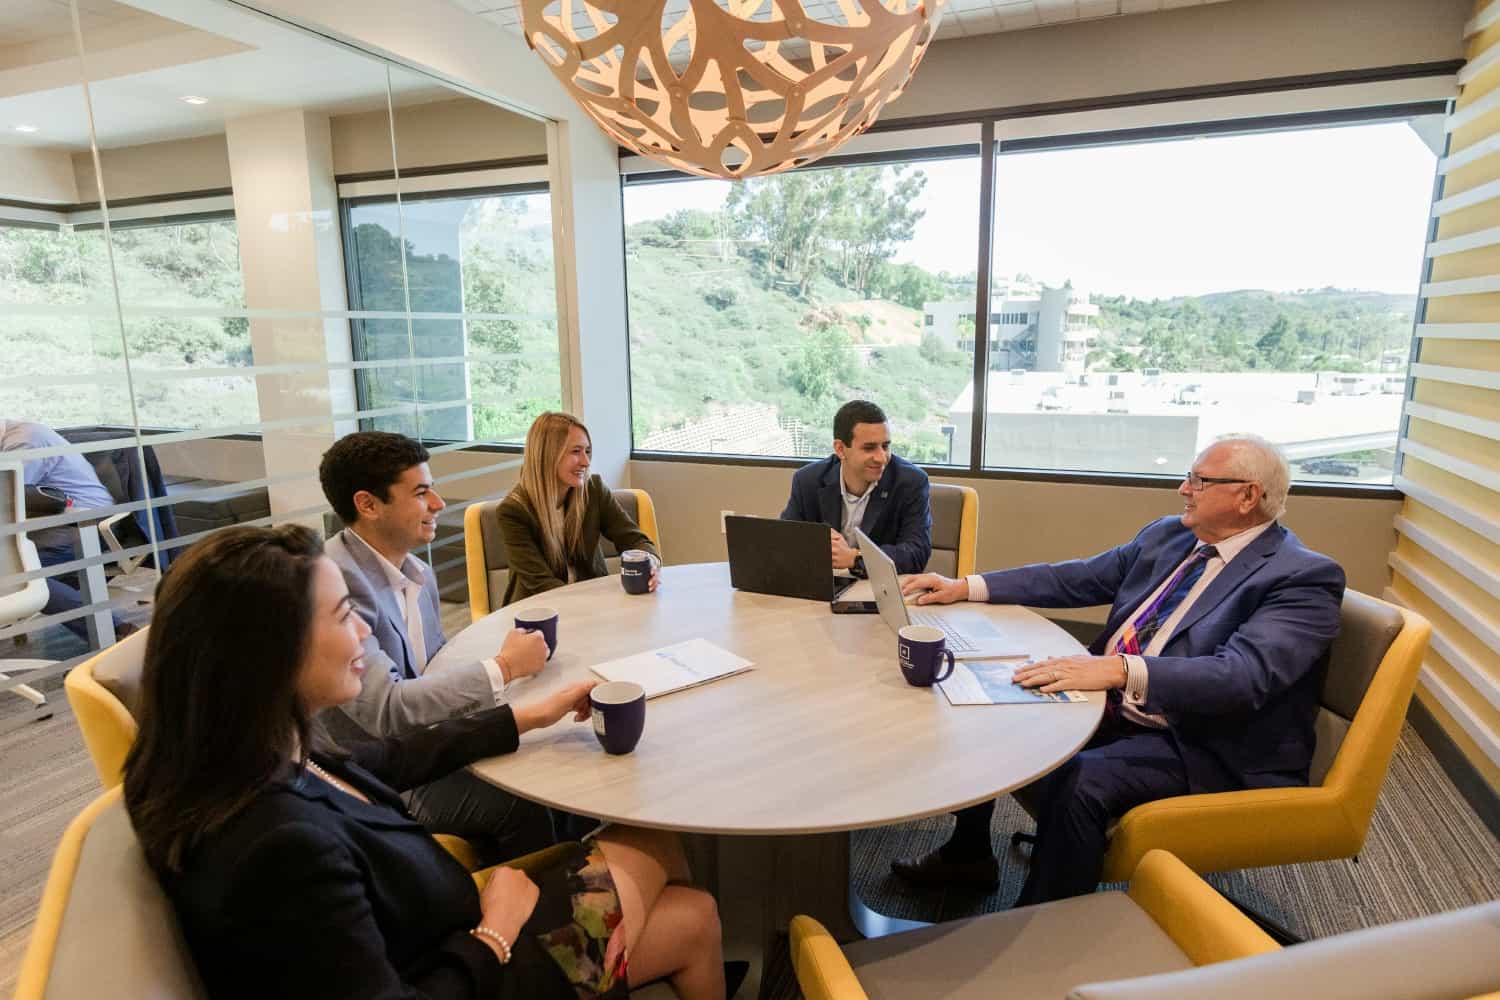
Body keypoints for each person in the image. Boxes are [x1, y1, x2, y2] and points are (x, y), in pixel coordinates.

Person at [121, 524, 728, 1000]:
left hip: (445, 936)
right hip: (479, 965)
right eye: (341, 615)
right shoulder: (274, 848)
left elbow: (384, 759)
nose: (363, 630)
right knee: (649, 836)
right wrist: (495, 931)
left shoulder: (250, 759)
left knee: (695, 916)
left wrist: (525, 716)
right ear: (268, 654)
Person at [891, 435, 1344, 905]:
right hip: (1114, 707)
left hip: (1199, 742)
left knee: (1080, 780)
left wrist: (1120, 670)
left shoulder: (1300, 577)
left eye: (1199, 480)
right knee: (984, 710)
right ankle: (968, 856)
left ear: (1248, 496)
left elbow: (1242, 676)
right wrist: (967, 585)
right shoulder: (1171, 535)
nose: (1183, 490)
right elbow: (1081, 577)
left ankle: (1042, 933)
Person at [318, 431, 555, 861]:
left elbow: (436, 667)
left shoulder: (413, 572)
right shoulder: (337, 587)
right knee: (532, 800)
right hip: (375, 780)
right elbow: (387, 711)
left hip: (425, 749)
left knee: (547, 760)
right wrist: (502, 667)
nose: (439, 504)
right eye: (421, 493)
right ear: (367, 505)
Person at [496, 412, 659, 606]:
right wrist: (595, 604)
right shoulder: (513, 512)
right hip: (539, 615)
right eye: (575, 452)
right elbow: (541, 584)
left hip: (592, 608)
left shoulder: (593, 490)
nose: (586, 461)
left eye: (587, 451)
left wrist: (650, 564)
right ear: (547, 455)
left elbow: (634, 539)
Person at [1, 418, 130, 641]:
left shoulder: (26, 440)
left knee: (19, 574)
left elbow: (6, 499)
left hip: (88, 527)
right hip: (51, 524)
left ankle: (116, 633)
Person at [780, 399, 931, 578]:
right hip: (825, 588)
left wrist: (855, 558)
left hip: (879, 590)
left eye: (885, 446)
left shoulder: (910, 482)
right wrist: (813, 544)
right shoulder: (808, 480)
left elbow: (917, 553)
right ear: (840, 449)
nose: (882, 457)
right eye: (869, 448)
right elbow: (785, 541)